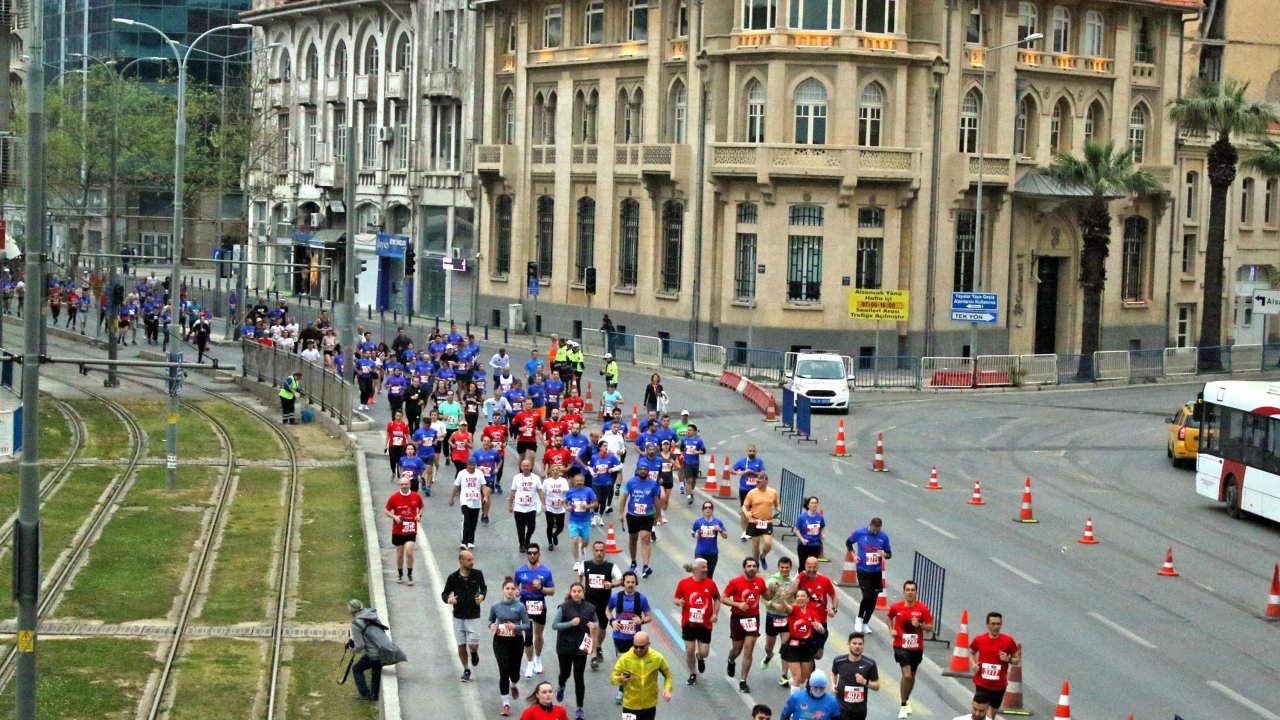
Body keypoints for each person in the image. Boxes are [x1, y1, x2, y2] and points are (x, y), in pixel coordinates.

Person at [887, 580, 934, 718]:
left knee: (912, 676)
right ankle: (903, 705)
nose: (910, 592)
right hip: (900, 645)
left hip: (916, 647)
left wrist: (919, 625)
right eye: (907, 590)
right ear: (903, 592)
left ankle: (906, 701)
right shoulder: (897, 607)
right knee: (906, 675)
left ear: (916, 592)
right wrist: (891, 630)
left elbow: (930, 627)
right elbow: (889, 617)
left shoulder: (922, 608)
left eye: (912, 590)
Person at [551, 582, 598, 718]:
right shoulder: (564, 607)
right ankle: (561, 686)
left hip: (581, 647)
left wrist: (593, 625)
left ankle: (579, 708)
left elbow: (597, 622)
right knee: (565, 673)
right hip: (564, 647)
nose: (577, 593)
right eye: (574, 591)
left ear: (583, 592)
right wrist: (570, 623)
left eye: (579, 591)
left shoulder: (589, 608)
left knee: (579, 677)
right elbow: (555, 625)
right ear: (570, 593)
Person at [722, 556, 767, 693]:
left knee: (749, 648)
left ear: (757, 568)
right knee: (737, 649)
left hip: (753, 618)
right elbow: (723, 598)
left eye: (754, 566)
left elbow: (767, 595)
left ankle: (743, 681)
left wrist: (775, 591)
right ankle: (731, 659)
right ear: (744, 568)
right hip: (737, 618)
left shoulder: (760, 581)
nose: (752, 568)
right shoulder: (735, 582)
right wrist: (738, 604)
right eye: (749, 566)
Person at [672, 557, 720, 686]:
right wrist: (679, 602)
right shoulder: (684, 583)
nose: (706, 569)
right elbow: (676, 598)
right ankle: (693, 673)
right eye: (703, 567)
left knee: (704, 652)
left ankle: (699, 658)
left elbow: (717, 599)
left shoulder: (710, 584)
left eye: (706, 567)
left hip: (705, 624)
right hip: (689, 623)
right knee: (689, 650)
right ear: (695, 569)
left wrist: (715, 613)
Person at [442, 549, 488, 682]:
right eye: (469, 560)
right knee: (461, 644)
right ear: (461, 561)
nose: (472, 562)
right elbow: (444, 593)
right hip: (458, 616)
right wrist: (449, 600)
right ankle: (466, 669)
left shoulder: (477, 574)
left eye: (472, 559)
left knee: (472, 644)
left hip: (473, 615)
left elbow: (483, 588)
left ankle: (474, 653)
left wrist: (482, 596)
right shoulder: (453, 577)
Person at [576, 540, 622, 671]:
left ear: (605, 551)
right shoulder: (585, 565)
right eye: (596, 550)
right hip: (589, 603)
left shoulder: (611, 567)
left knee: (602, 627)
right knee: (592, 628)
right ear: (593, 551)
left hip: (604, 603)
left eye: (601, 550)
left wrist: (612, 584)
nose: (599, 553)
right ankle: (593, 655)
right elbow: (579, 576)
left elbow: (620, 579)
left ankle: (598, 647)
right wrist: (579, 589)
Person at [490, 578, 533, 716]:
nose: (510, 591)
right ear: (503, 590)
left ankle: (513, 684)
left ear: (516, 591)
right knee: (504, 671)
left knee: (514, 673)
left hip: (516, 641)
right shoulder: (496, 606)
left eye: (512, 589)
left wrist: (516, 627)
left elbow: (527, 625)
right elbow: (490, 620)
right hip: (500, 641)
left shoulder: (520, 606)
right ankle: (506, 704)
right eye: (507, 588)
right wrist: (492, 626)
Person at [610, 631, 673, 720]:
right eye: (636, 646)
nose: (638, 650)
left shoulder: (657, 657)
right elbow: (613, 678)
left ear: (648, 644)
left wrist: (667, 689)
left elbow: (668, 675)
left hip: (649, 705)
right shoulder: (625, 659)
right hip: (630, 705)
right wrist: (620, 679)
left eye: (642, 647)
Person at [968, 612, 1020, 719]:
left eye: (998, 624)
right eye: (993, 624)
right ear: (987, 624)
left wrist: (1009, 659)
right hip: (982, 683)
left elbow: (1017, 659)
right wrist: (973, 664)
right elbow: (971, 652)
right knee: (984, 713)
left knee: (992, 714)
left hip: (999, 686)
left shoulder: (1008, 641)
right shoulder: (979, 639)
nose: (996, 627)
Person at [516, 544, 557, 677]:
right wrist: (516, 592)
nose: (532, 555)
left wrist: (541, 588)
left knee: (538, 635)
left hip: (539, 604)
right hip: (525, 604)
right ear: (527, 555)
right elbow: (514, 587)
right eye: (530, 553)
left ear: (539, 554)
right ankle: (529, 663)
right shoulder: (520, 571)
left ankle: (537, 659)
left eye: (535, 553)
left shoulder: (546, 571)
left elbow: (552, 591)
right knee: (527, 636)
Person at [845, 518, 892, 634]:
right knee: (866, 596)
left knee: (873, 600)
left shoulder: (884, 537)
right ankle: (859, 619)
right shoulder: (860, 533)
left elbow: (889, 554)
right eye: (874, 529)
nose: (875, 532)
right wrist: (854, 555)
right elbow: (849, 542)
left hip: (876, 571)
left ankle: (866, 623)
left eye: (878, 530)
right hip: (863, 570)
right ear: (870, 525)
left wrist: (884, 554)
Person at [761, 555, 798, 684]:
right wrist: (772, 604)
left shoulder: (794, 582)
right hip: (772, 616)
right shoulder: (772, 581)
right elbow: (763, 598)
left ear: (790, 567)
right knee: (768, 646)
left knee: (785, 646)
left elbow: (797, 599)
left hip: (786, 618)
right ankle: (769, 655)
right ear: (778, 567)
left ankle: (784, 674)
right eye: (782, 567)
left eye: (787, 568)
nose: (784, 570)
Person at [619, 464, 660, 578]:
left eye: (645, 469)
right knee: (633, 538)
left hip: (647, 515)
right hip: (633, 515)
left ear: (648, 471)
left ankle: (646, 566)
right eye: (641, 469)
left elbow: (656, 499)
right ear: (637, 470)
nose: (642, 471)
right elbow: (624, 498)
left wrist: (659, 515)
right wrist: (621, 513)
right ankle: (633, 562)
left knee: (645, 538)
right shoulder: (631, 482)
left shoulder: (653, 484)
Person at [780, 588, 824, 691]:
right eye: (798, 596)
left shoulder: (812, 612)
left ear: (808, 599)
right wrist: (783, 600)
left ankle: (794, 683)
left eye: (802, 596)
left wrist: (820, 628)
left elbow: (821, 629)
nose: (800, 598)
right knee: (797, 677)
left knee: (802, 679)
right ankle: (795, 703)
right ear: (795, 599)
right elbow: (787, 608)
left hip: (807, 646)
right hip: (793, 646)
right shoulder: (794, 609)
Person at [346, 599, 390, 702]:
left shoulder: (356, 624)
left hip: (374, 654)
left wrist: (352, 649)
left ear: (351, 611)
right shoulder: (372, 614)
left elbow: (360, 645)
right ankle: (374, 694)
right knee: (376, 668)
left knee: (357, 669)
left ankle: (365, 694)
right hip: (384, 649)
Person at [796, 556, 837, 665]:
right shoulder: (801, 579)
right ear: (805, 566)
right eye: (809, 567)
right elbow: (791, 592)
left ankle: (807, 662)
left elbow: (834, 596)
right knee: (805, 650)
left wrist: (834, 610)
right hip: (804, 620)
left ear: (818, 567)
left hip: (820, 622)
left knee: (818, 655)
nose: (811, 570)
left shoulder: (825, 580)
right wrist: (799, 577)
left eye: (814, 567)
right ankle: (807, 673)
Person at [830, 633, 880, 720]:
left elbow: (877, 686)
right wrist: (833, 685)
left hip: (859, 710)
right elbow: (833, 672)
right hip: (841, 707)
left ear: (863, 646)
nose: (857, 646)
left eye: (860, 644)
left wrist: (865, 682)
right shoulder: (839, 661)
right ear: (848, 644)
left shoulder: (870, 664)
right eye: (854, 643)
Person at [384, 476, 423, 585]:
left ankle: (410, 574)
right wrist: (395, 517)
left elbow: (421, 507)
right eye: (402, 484)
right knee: (400, 553)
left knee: (409, 552)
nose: (404, 486)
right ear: (399, 485)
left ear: (410, 485)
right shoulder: (394, 497)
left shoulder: (416, 496)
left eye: (406, 484)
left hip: (411, 530)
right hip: (398, 530)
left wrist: (419, 515)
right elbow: (386, 510)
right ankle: (400, 573)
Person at [741, 473, 781, 570]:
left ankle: (762, 556)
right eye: (757, 482)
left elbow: (777, 504)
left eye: (759, 482)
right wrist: (746, 512)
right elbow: (744, 505)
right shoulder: (752, 493)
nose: (757, 483)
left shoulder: (773, 492)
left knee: (768, 543)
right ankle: (756, 562)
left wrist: (778, 510)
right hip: (754, 521)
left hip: (767, 521)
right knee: (756, 543)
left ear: (765, 482)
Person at [509, 459, 546, 552]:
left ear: (530, 467)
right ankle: (521, 544)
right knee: (520, 527)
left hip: (531, 506)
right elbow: (513, 492)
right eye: (524, 466)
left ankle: (527, 539)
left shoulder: (536, 478)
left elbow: (540, 491)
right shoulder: (516, 478)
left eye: (527, 465)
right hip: (519, 507)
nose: (525, 467)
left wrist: (544, 504)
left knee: (531, 526)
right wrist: (510, 505)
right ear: (521, 467)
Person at [450, 457, 486, 549]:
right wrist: (452, 498)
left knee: (473, 521)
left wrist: (485, 496)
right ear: (467, 465)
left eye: (473, 465)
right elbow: (456, 486)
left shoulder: (479, 473)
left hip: (476, 501)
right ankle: (464, 542)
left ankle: (471, 541)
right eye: (470, 465)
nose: (472, 467)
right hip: (465, 501)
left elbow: (483, 486)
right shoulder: (461, 474)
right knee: (466, 520)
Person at [731, 446, 766, 541]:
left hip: (756, 490)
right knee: (745, 510)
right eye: (750, 451)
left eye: (754, 451)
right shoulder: (742, 461)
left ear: (756, 452)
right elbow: (731, 470)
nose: (752, 452)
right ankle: (744, 532)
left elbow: (763, 474)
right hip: (744, 489)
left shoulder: (759, 461)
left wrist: (753, 473)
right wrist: (740, 473)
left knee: (756, 509)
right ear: (747, 451)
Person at [564, 469, 599, 561]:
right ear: (574, 482)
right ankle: (576, 561)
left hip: (585, 521)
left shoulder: (589, 491)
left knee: (586, 542)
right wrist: (567, 507)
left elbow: (596, 504)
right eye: (577, 481)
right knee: (575, 540)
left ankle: (582, 547)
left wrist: (587, 506)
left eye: (581, 481)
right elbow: (564, 502)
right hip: (573, 521)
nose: (579, 482)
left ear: (584, 481)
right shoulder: (570, 492)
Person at [691, 501, 728, 579]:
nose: (707, 509)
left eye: (709, 507)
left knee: (709, 576)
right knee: (699, 575)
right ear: (703, 510)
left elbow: (725, 536)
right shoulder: (698, 522)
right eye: (705, 508)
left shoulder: (717, 522)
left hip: (712, 553)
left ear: (712, 510)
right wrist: (698, 533)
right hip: (700, 552)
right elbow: (693, 534)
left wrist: (720, 530)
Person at [542, 464, 569, 550]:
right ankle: (550, 543)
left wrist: (566, 504)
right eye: (553, 470)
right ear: (550, 472)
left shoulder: (563, 480)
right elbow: (543, 493)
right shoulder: (547, 481)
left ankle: (555, 534)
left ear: (559, 471)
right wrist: (543, 504)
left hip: (560, 507)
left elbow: (566, 493)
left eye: (557, 469)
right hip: (550, 506)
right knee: (549, 525)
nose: (555, 471)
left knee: (560, 527)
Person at [795, 496, 827, 565]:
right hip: (804, 545)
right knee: (802, 565)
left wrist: (822, 534)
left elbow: (822, 527)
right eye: (812, 503)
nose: (814, 505)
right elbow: (797, 530)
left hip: (815, 545)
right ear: (808, 505)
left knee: (812, 565)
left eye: (815, 503)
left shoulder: (820, 517)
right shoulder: (802, 517)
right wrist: (802, 539)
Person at [385, 410, 412, 481]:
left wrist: (411, 444)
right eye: (397, 416)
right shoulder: (390, 424)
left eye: (400, 416)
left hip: (402, 446)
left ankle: (399, 475)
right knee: (392, 460)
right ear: (395, 416)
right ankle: (393, 472)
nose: (398, 417)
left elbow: (408, 435)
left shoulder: (405, 425)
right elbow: (387, 435)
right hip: (392, 446)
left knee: (400, 461)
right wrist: (385, 445)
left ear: (402, 416)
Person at [679, 423, 705, 491]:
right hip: (687, 462)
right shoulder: (684, 439)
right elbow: (681, 449)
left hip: (695, 463)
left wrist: (697, 452)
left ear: (694, 432)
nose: (688, 431)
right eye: (688, 430)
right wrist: (682, 455)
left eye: (690, 430)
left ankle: (690, 490)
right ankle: (689, 496)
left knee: (693, 481)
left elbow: (703, 451)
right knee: (689, 480)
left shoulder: (699, 440)